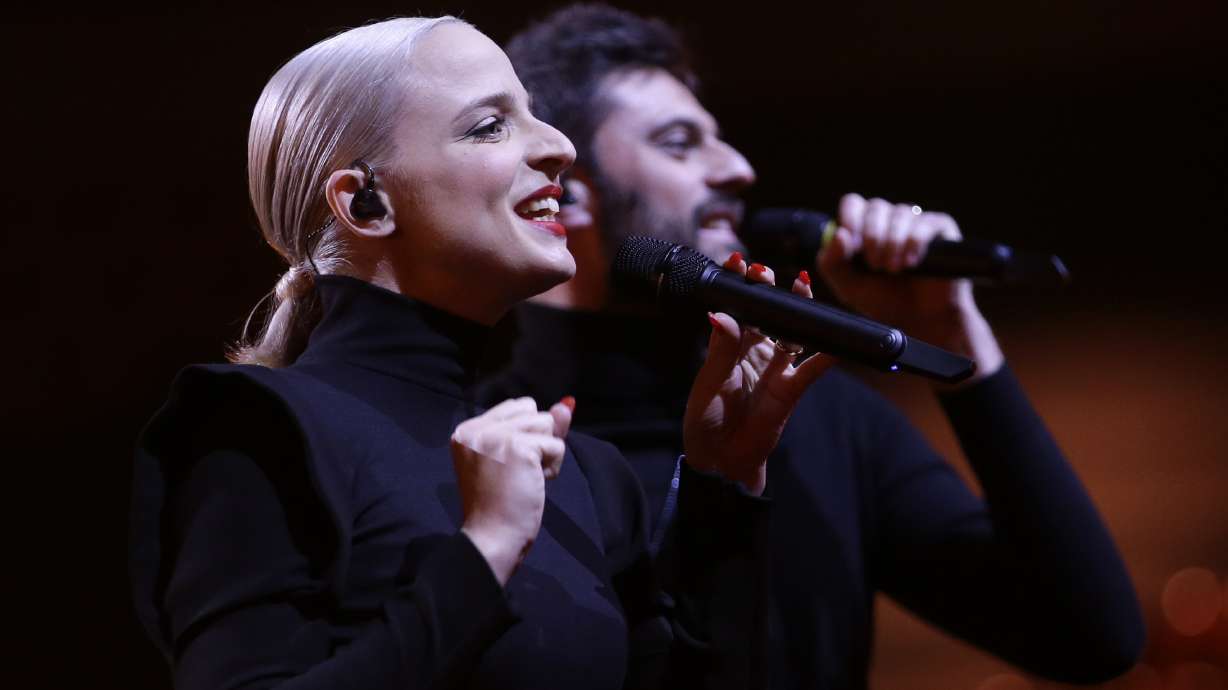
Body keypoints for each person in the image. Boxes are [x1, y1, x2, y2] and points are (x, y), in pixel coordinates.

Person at [128, 16, 837, 690]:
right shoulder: (256, 428)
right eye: (490, 125)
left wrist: (724, 483)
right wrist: (485, 551)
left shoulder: (587, 473)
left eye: (534, 113)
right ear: (365, 202)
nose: (558, 144)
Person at [481, 5, 1146, 688]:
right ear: (561, 195)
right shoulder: (484, 451)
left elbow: (1091, 637)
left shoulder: (825, 424)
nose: (738, 167)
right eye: (680, 143)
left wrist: (955, 335)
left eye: (720, 139)